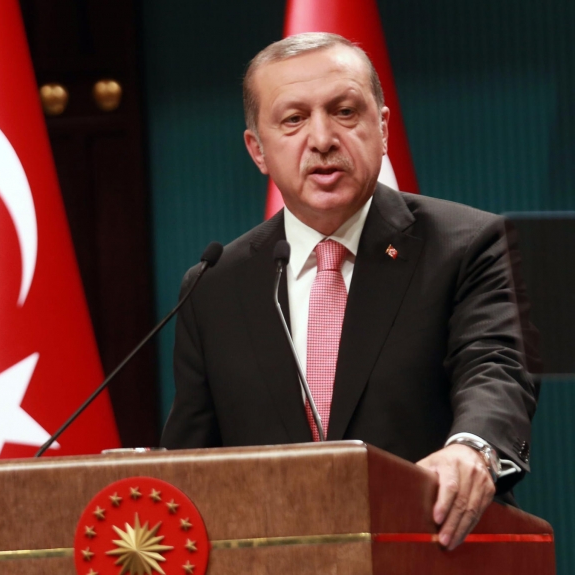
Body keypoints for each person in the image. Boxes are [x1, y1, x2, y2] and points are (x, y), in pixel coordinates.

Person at [159, 33, 538, 551]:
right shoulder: (213, 287)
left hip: (431, 552)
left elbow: (496, 367)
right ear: (257, 150)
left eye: (344, 111)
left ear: (381, 128)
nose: (321, 138)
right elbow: (191, 467)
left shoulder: (469, 245)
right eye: (293, 120)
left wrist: (471, 450)